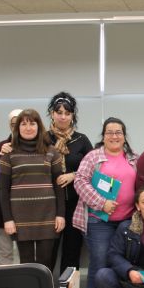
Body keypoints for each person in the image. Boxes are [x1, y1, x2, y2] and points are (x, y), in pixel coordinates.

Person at [73, 117, 138, 288]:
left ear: (124, 135)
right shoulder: (93, 157)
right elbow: (80, 181)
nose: (114, 136)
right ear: (103, 135)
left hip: (127, 221)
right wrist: (101, 203)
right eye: (109, 132)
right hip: (98, 221)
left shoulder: (134, 158)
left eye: (118, 132)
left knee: (121, 264)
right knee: (100, 262)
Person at [0, 109, 65, 270]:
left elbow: (59, 186)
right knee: (26, 264)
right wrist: (8, 219)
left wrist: (60, 215)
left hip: (47, 216)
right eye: (24, 124)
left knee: (45, 263)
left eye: (32, 123)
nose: (28, 128)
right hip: (21, 218)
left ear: (39, 126)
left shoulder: (51, 151)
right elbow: (3, 189)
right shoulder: (9, 153)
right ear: (17, 128)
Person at [47, 92, 93, 274]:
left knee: (72, 250)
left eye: (67, 113)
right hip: (49, 203)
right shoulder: (43, 139)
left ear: (73, 116)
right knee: (48, 250)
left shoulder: (81, 140)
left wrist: (74, 174)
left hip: (76, 204)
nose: (63, 116)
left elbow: (94, 167)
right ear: (52, 114)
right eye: (59, 112)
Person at [0, 109, 22, 264]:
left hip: (26, 211)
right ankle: (5, 287)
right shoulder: (1, 148)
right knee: (5, 254)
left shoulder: (39, 148)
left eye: (21, 123)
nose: (17, 127)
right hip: (2, 211)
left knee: (27, 256)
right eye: (13, 124)